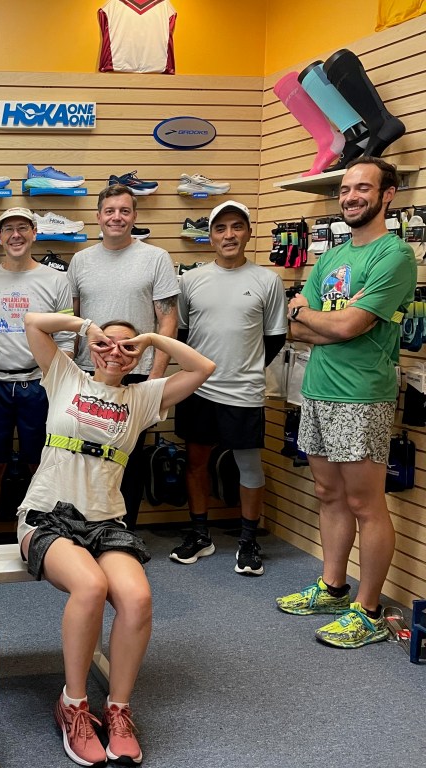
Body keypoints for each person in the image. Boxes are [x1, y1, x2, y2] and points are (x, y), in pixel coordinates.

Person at [18, 312, 214, 766]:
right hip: (46, 515)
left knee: (137, 598)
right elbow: (33, 322)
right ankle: (74, 705)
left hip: (106, 522)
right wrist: (87, 328)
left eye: (128, 348)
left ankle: (119, 708)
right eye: (107, 344)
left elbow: (203, 369)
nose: (115, 352)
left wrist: (150, 339)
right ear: (92, 346)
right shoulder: (65, 375)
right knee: (90, 587)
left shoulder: (143, 397)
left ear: (139, 356)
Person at [278, 157, 416, 648]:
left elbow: (347, 326)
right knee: (327, 494)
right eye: (346, 188)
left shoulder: (393, 256)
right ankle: (334, 587)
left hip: (362, 395)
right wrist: (321, 321)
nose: (352, 196)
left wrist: (317, 318)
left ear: (387, 195)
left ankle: (370, 610)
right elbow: (294, 327)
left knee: (365, 502)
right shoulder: (332, 259)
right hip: (316, 389)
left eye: (363, 188)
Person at [171, 201, 287, 575]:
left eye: (237, 227)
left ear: (248, 233)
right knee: (196, 463)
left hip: (244, 391)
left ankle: (248, 542)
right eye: (221, 229)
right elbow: (185, 336)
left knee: (249, 467)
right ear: (210, 237)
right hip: (198, 389)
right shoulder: (190, 281)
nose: (229, 235)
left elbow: (274, 339)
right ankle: (201, 535)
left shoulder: (267, 281)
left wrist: (243, 367)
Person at [66, 184, 180, 529]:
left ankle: (123, 531)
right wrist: (69, 371)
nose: (117, 217)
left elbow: (168, 320)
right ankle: (83, 529)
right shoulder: (80, 261)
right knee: (83, 456)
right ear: (98, 216)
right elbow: (73, 319)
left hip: (136, 374)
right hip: (90, 373)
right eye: (110, 211)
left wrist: (155, 377)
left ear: (134, 216)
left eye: (124, 211)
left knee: (126, 458)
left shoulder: (155, 258)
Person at [0, 206, 74, 546]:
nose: (16, 234)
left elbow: (67, 340)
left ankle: (42, 536)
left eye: (23, 228)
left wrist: (60, 387)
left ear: (34, 233)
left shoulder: (57, 280)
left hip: (38, 386)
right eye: (8, 229)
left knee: (39, 466)